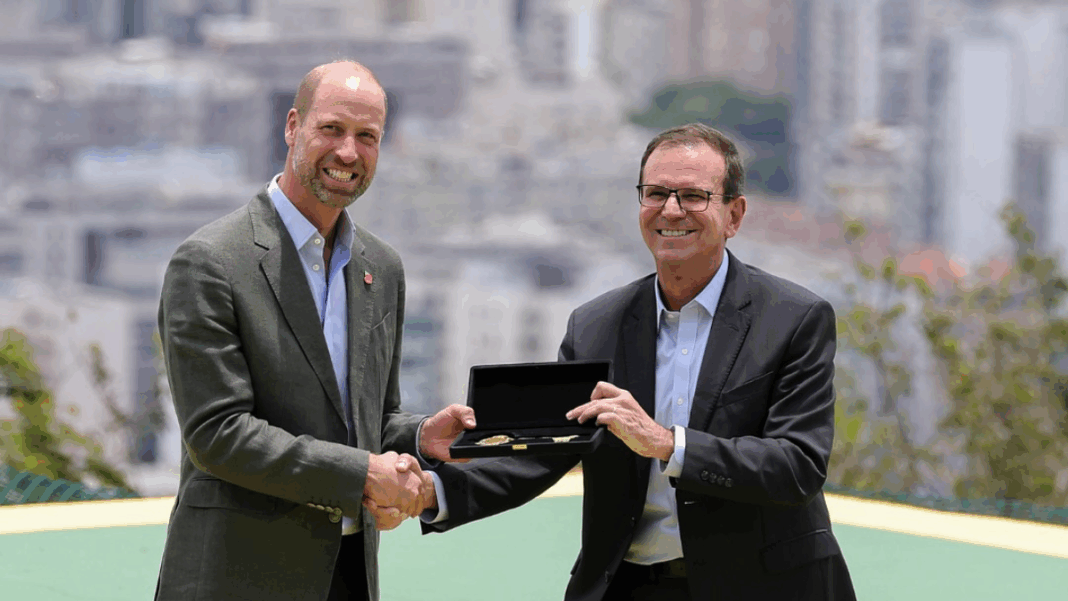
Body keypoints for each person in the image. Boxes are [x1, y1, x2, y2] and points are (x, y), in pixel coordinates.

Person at [419, 123, 857, 600]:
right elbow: (544, 453)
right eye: (656, 193)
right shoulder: (595, 326)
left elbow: (797, 464)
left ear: (734, 214)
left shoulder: (793, 318)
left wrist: (668, 444)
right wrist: (431, 492)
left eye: (693, 196)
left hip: (763, 587)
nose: (671, 210)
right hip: (627, 585)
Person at [153, 60, 473, 601]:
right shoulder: (209, 261)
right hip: (236, 579)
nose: (348, 153)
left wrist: (418, 436)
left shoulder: (382, 267)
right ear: (292, 127)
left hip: (349, 575)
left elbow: (368, 418)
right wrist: (363, 473)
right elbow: (217, 434)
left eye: (367, 137)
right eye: (332, 129)